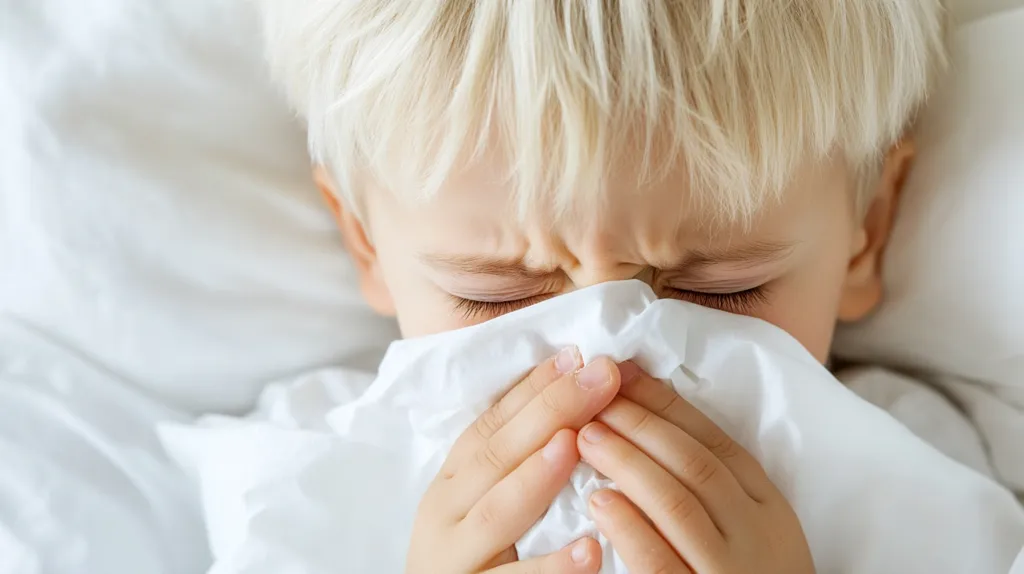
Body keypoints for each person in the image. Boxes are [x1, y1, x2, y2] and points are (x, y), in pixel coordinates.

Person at [255, 1, 947, 571]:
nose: (605, 372)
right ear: (367, 244)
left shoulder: (918, 479)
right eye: (495, 296)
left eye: (719, 291)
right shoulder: (304, 484)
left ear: (869, 228)